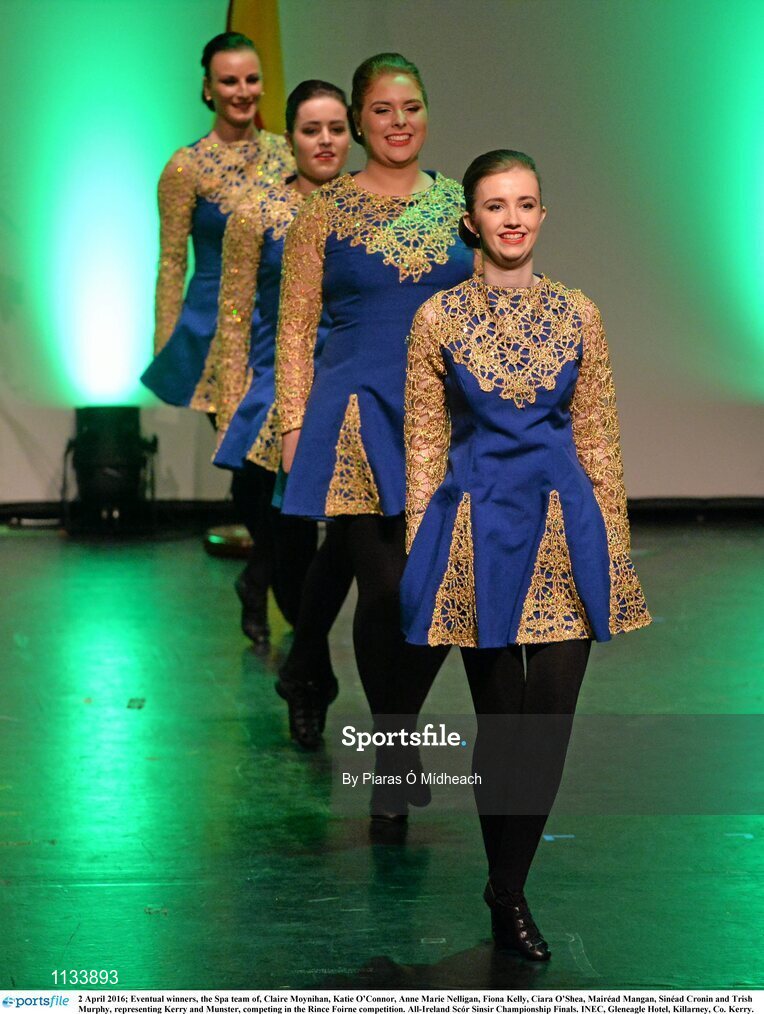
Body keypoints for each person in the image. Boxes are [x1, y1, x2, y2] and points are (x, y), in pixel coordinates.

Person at [401, 150, 651, 958]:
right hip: (478, 534)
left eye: (527, 203)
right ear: (470, 220)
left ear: (543, 215)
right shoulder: (437, 318)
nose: (513, 218)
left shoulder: (580, 313)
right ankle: (503, 883)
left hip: (561, 524)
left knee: (547, 725)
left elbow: (601, 439)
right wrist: (423, 558)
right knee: (503, 728)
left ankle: (508, 891)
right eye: (496, 206)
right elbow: (425, 446)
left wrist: (610, 549)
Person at [274, 54, 475, 814]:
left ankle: (396, 734)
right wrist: (295, 425)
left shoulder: (459, 202)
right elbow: (295, 328)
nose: (399, 122)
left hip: (447, 421)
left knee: (437, 588)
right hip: (355, 415)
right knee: (385, 590)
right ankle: (392, 753)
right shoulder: (324, 210)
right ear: (359, 121)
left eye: (412, 107)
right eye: (384, 110)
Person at [212, 80, 354, 697]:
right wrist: (228, 411)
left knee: (354, 543)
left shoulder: (370, 208)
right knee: (292, 547)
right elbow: (234, 319)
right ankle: (310, 676)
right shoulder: (256, 214)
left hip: (355, 392)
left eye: (336, 128)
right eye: (310, 129)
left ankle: (307, 656)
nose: (325, 141)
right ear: (288, 138)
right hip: (279, 399)